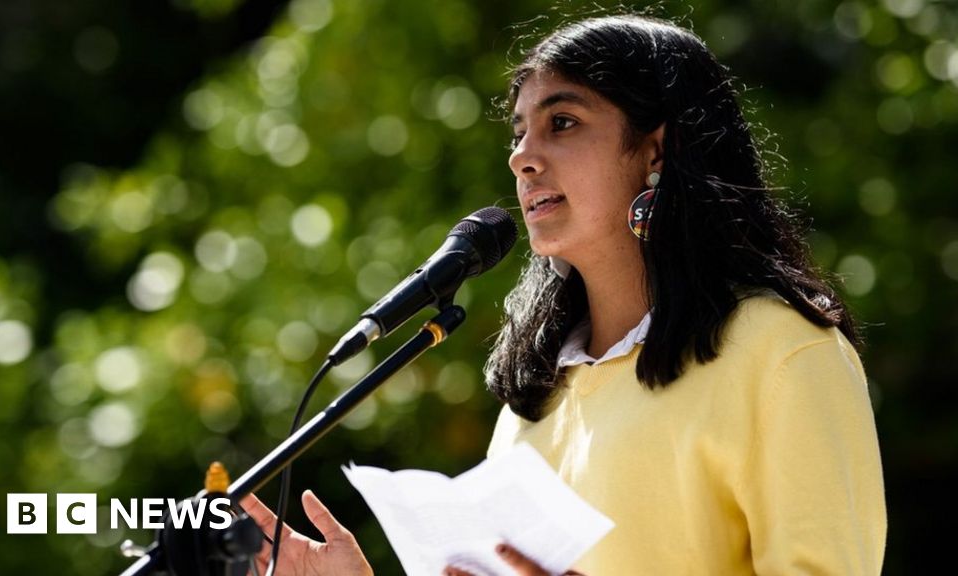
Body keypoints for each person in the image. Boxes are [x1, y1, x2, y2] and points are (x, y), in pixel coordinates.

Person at [242, 13, 887, 575]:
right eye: (519, 132)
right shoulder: (534, 397)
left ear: (657, 150)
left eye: (563, 122)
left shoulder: (785, 356)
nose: (523, 156)